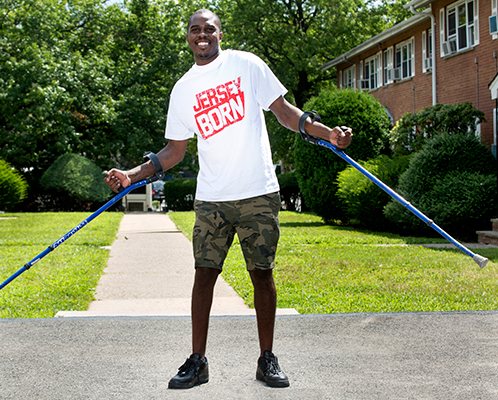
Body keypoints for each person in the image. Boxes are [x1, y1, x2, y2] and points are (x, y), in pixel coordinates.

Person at [104, 8, 353, 389]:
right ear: (187, 37)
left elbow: (286, 113)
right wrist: (132, 176)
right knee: (204, 275)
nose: (201, 35)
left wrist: (326, 134)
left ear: (220, 33)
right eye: (194, 30)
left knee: (262, 274)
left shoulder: (247, 66)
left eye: (209, 29)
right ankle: (198, 360)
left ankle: (267, 359)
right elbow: (173, 152)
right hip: (212, 197)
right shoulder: (183, 88)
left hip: (257, 191)